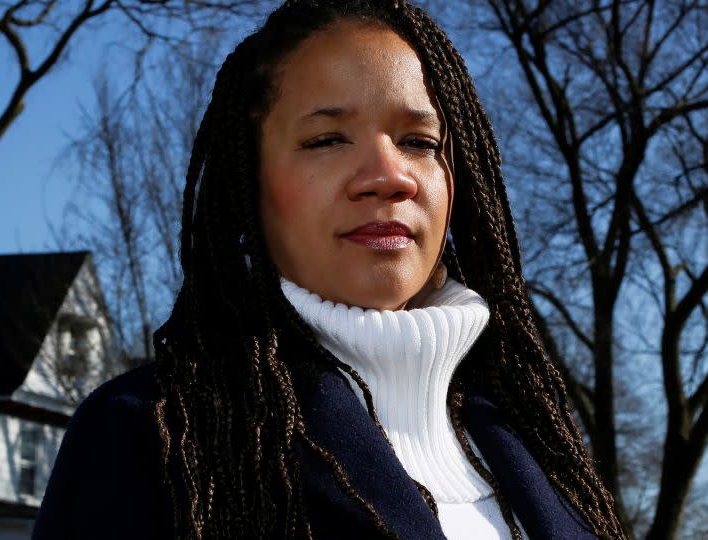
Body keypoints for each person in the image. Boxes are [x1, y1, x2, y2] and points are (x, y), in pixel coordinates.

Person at [33, 1, 625, 538]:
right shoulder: (152, 438)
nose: (390, 175)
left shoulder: (544, 446)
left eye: (419, 141)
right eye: (326, 139)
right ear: (249, 186)